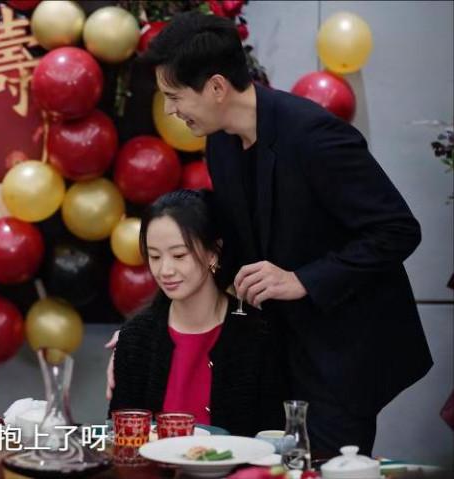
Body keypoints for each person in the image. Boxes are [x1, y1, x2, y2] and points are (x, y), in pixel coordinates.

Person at [126, 11, 432, 455]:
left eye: (174, 96)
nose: (170, 109)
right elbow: (228, 240)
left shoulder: (313, 135)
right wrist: (145, 332)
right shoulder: (221, 140)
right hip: (274, 348)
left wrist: (302, 279)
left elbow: (398, 229)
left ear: (216, 87)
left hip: (340, 354)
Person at [109, 189, 288, 437]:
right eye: (155, 256)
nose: (165, 270)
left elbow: (274, 437)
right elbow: (120, 435)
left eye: (179, 255)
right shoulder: (136, 336)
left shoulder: (257, 332)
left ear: (213, 253)